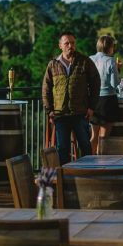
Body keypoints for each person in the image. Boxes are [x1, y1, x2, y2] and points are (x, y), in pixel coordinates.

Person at [42, 32, 100, 165]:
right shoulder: (53, 64)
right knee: (62, 148)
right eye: (67, 43)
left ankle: (88, 173)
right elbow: (46, 88)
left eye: (72, 43)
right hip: (60, 114)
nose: (70, 46)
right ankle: (66, 175)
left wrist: (92, 107)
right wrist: (49, 110)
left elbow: (96, 83)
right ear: (60, 45)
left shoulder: (85, 61)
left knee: (85, 146)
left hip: (80, 112)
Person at [89, 35, 121, 153]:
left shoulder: (90, 59)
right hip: (108, 101)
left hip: (93, 100)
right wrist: (118, 70)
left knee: (94, 135)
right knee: (104, 137)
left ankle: (89, 159)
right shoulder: (110, 60)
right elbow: (114, 83)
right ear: (110, 47)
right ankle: (101, 161)